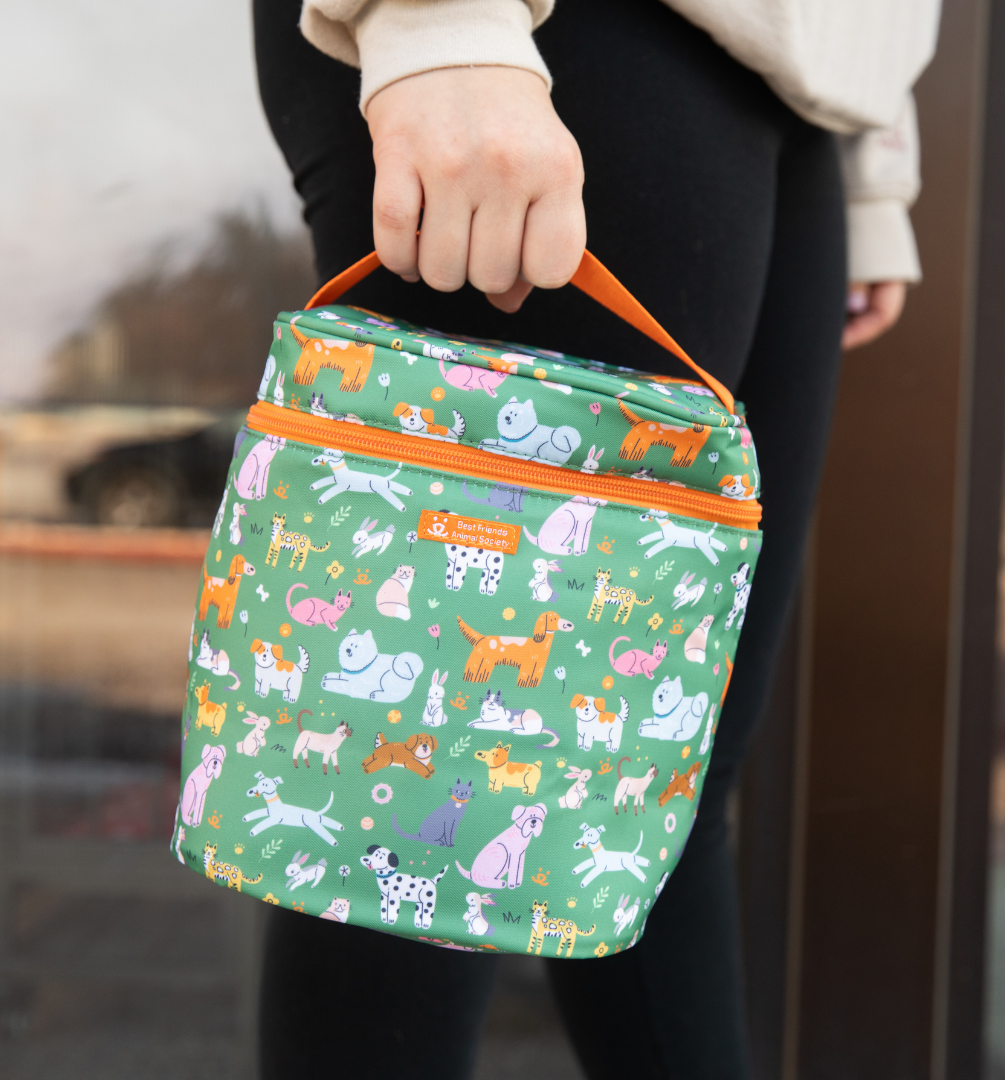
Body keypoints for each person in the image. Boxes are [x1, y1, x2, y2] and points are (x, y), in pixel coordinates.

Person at [253, 2, 941, 1077]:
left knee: (664, 789)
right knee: (413, 800)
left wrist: (870, 152)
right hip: (544, 42)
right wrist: (435, 22)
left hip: (791, 81)